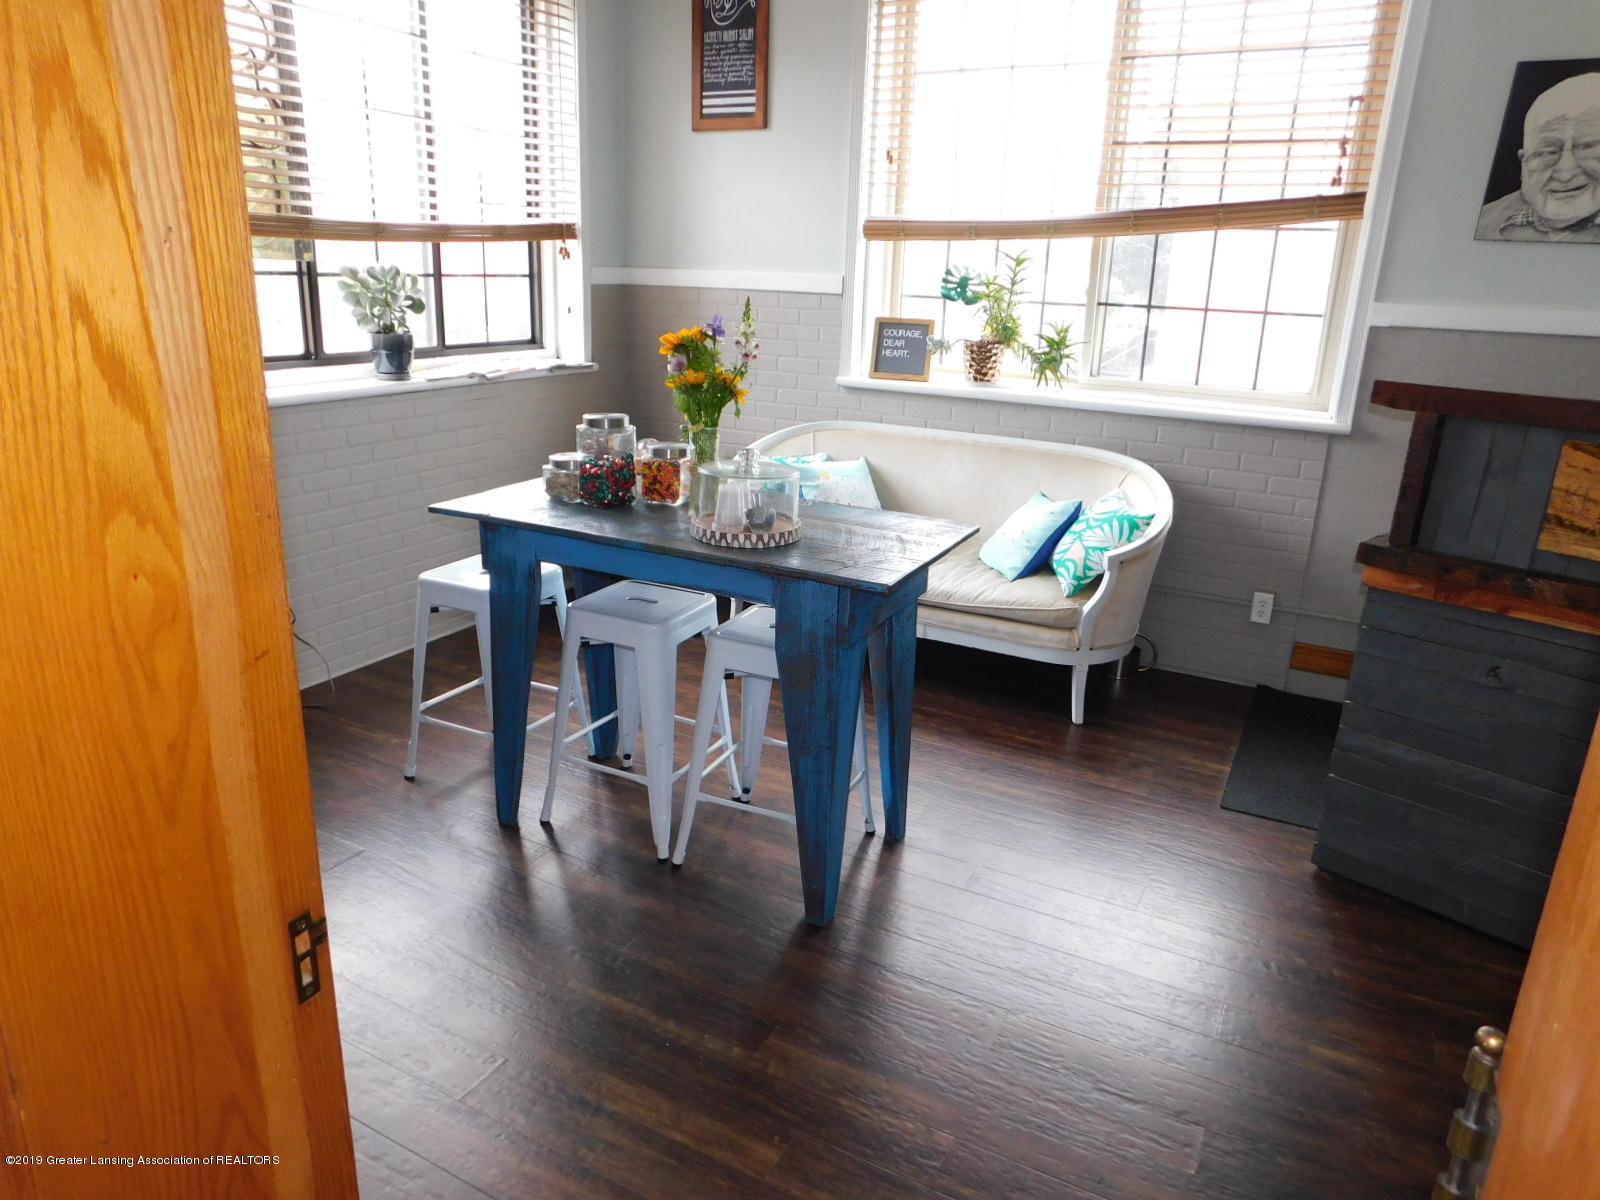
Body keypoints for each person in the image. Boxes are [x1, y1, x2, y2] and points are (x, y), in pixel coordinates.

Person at [1476, 71, 1600, 243]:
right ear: (1524, 164)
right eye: (1548, 152)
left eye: (1587, 147)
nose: (1565, 174)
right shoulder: (1483, 221)